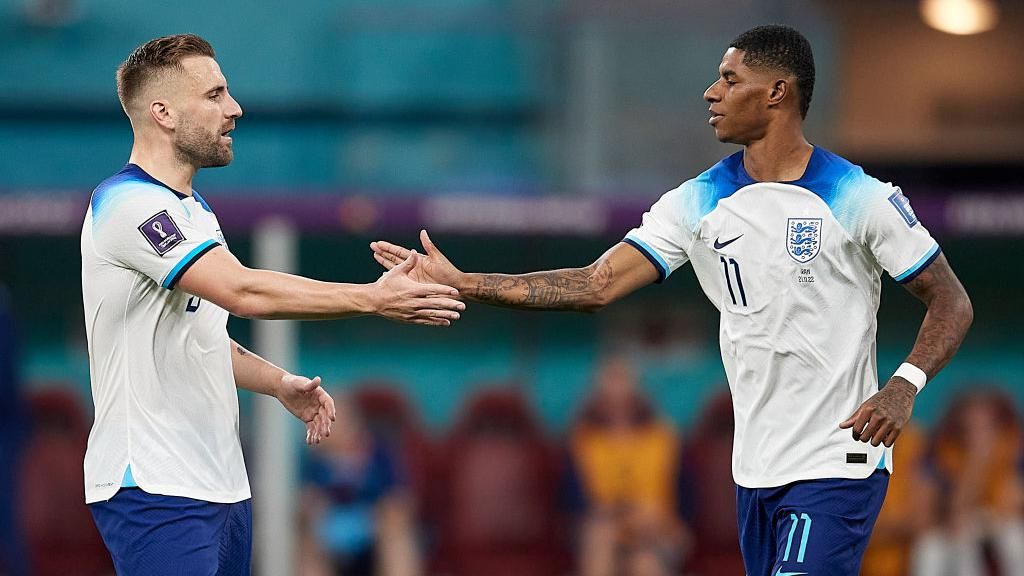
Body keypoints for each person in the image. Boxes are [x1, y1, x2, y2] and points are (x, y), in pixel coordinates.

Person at [371, 24, 973, 576]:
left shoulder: (858, 197)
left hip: (837, 460)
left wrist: (905, 383)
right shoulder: (697, 201)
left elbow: (950, 299)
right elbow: (595, 284)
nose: (712, 93)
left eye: (730, 79)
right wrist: (465, 282)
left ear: (777, 93)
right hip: (756, 469)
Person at [81, 34, 464, 575]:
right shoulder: (128, 205)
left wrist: (278, 382)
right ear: (162, 113)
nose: (234, 108)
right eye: (214, 95)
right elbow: (243, 291)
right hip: (152, 485)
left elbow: (203, 336)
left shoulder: (193, 212)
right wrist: (373, 298)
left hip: (220, 486)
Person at [563, 355, 688, 576]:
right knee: (602, 536)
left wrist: (654, 521)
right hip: (603, 529)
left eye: (623, 380)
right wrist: (622, 514)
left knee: (645, 563)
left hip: (656, 531)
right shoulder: (582, 440)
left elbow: (685, 501)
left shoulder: (663, 437)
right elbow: (573, 504)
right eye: (611, 381)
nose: (618, 391)